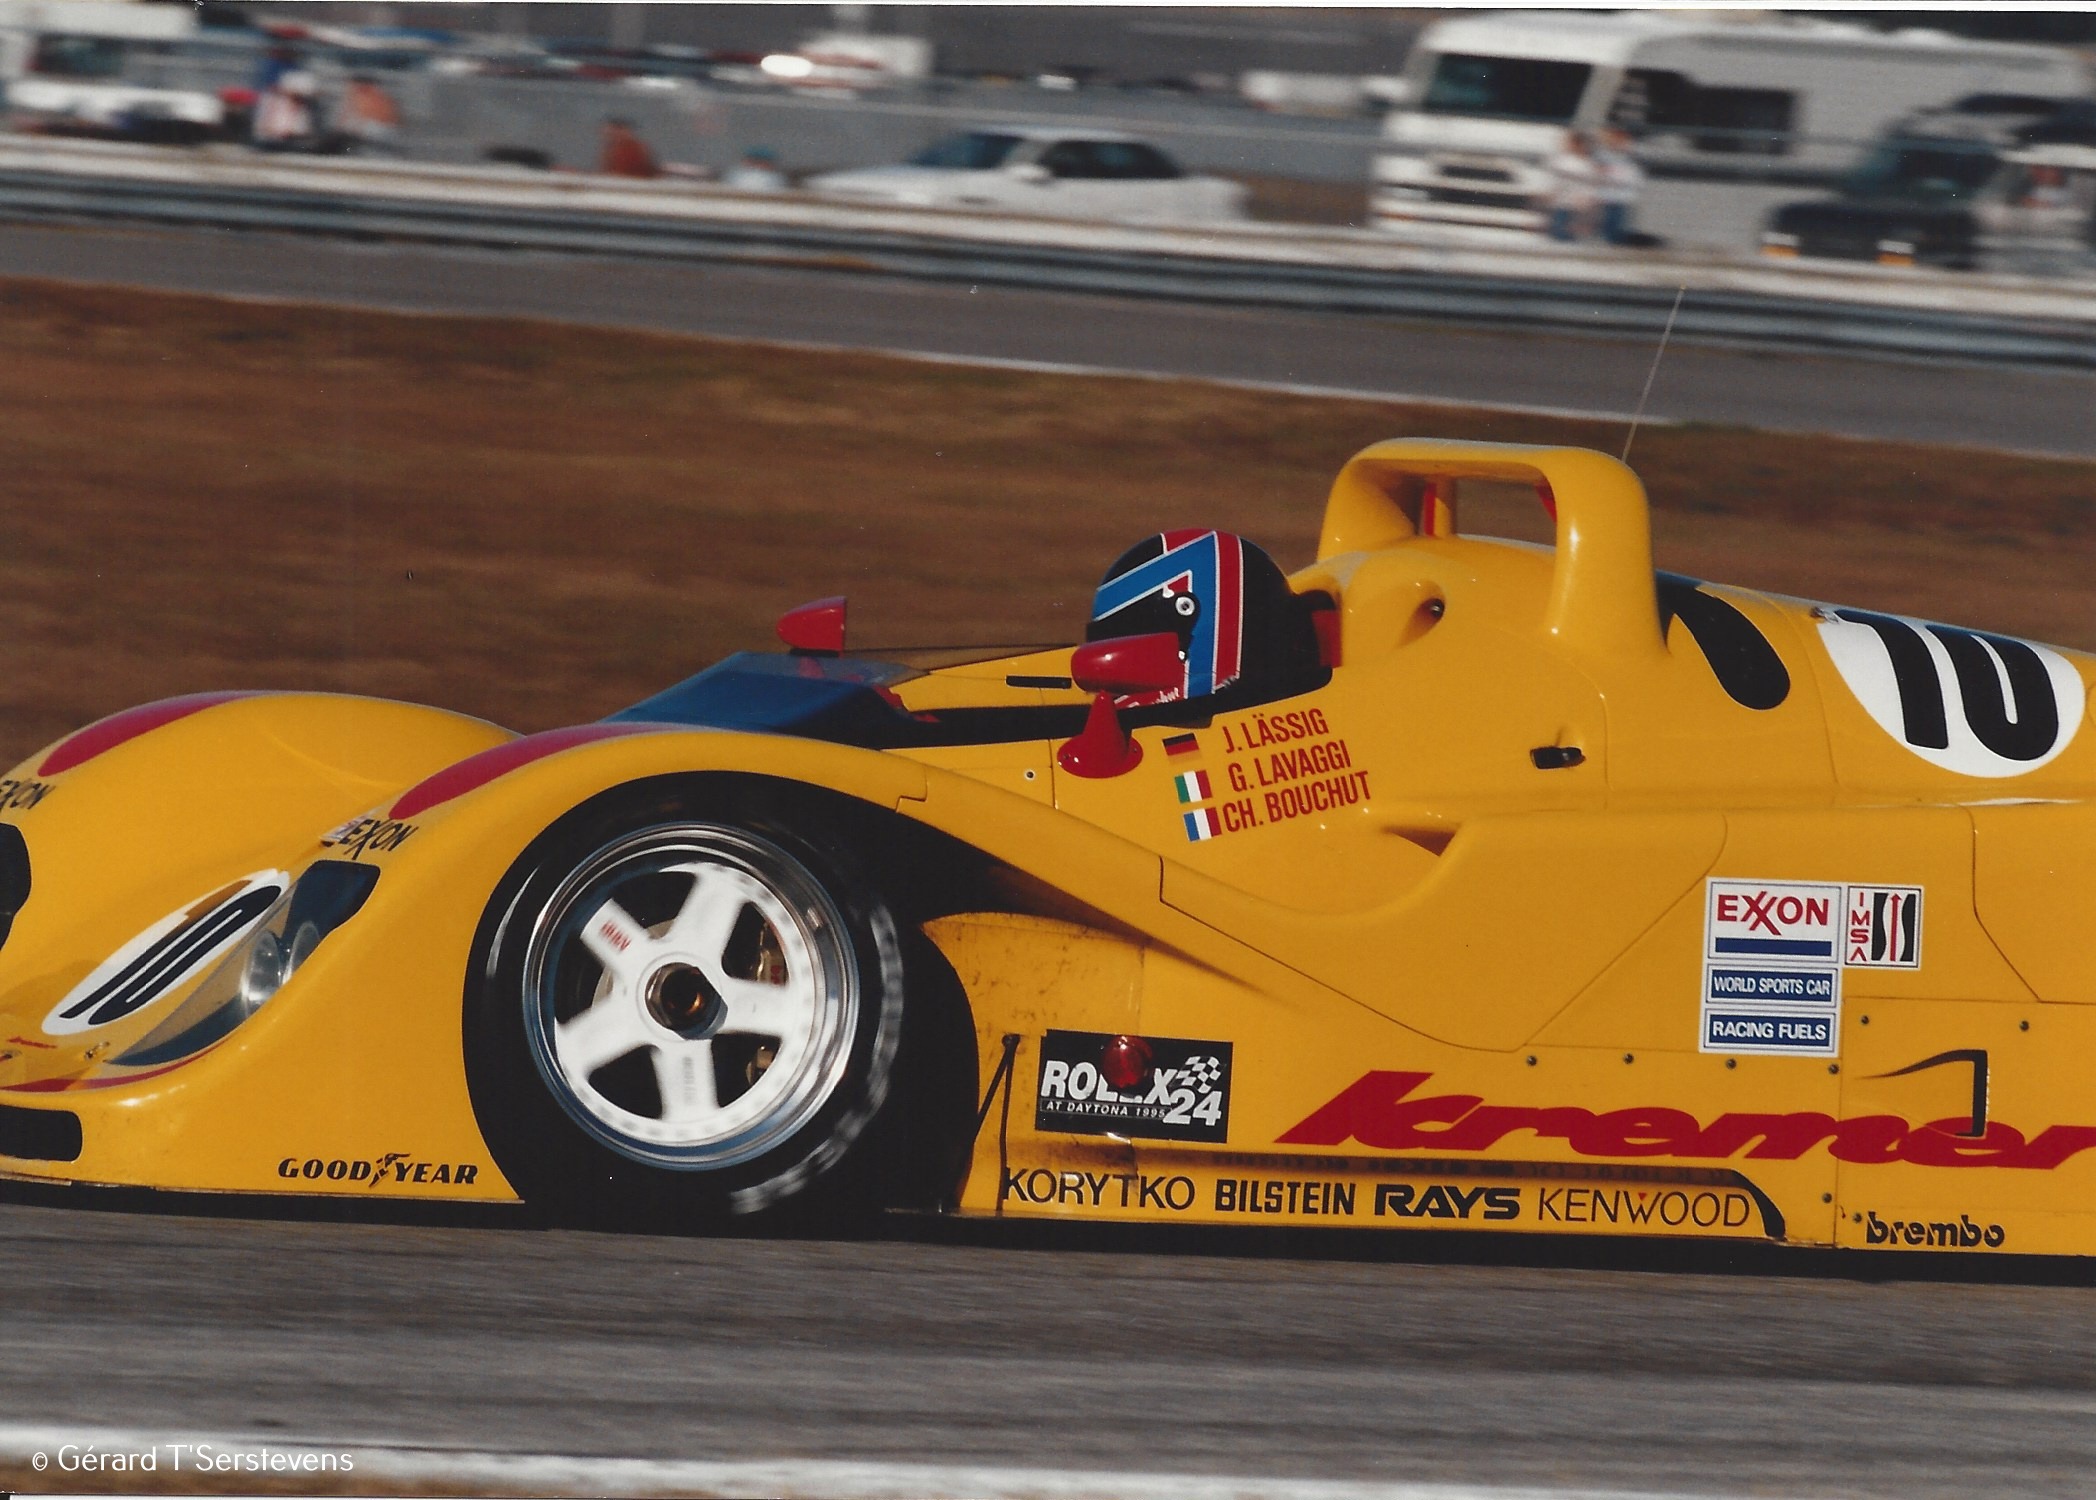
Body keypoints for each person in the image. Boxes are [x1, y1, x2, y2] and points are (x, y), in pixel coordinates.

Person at [1544, 130, 1601, 243]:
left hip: (1578, 202)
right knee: (1557, 227)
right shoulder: (1561, 160)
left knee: (1572, 229)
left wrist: (1588, 197)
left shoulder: (1587, 164)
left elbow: (1591, 182)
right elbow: (1555, 177)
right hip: (1561, 200)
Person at [1595, 126, 1646, 246]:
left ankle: (1617, 240)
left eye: (1620, 139)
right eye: (1613, 139)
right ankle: (1608, 239)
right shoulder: (1603, 153)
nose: (1616, 142)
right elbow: (1599, 168)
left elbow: (1636, 170)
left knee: (1620, 217)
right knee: (1608, 217)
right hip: (1608, 192)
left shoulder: (1632, 153)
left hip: (1624, 194)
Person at [251, 69, 319, 152]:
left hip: (293, 143)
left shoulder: (306, 108)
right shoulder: (271, 101)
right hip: (269, 143)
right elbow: (265, 128)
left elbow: (304, 131)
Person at [338, 75, 402, 155]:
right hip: (366, 131)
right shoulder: (356, 97)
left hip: (382, 131)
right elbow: (343, 121)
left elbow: (386, 121)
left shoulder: (377, 98)